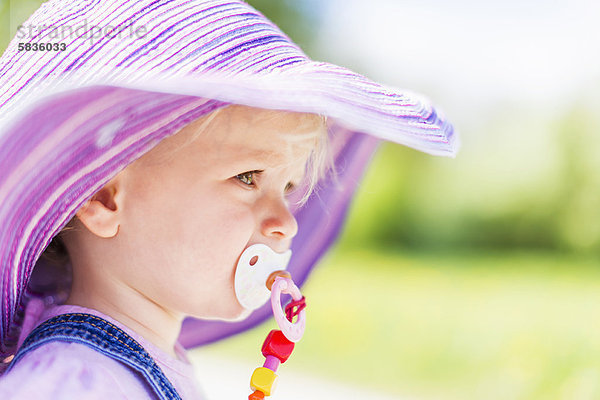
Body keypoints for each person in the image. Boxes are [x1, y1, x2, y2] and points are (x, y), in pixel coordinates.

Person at [0, 0, 459, 398]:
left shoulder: (142, 362)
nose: (287, 222)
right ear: (105, 198)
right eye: (247, 177)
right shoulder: (71, 381)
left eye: (289, 187)